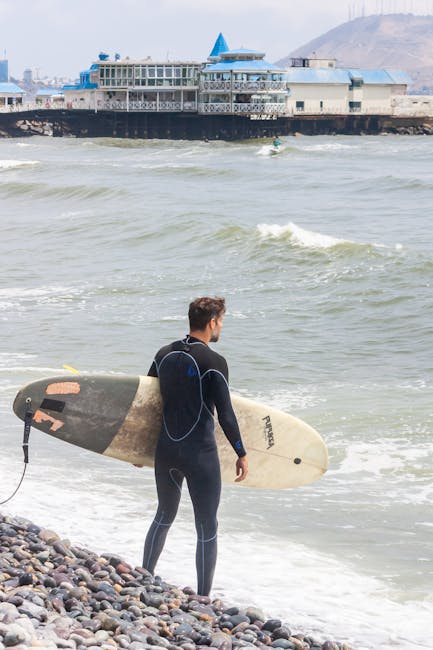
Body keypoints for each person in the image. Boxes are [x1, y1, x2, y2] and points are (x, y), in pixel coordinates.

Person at [142, 297, 248, 596]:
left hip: (166, 451)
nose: (221, 326)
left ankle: (144, 576)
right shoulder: (214, 363)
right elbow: (225, 415)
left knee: (163, 515)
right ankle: (203, 598)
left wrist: (137, 448)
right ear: (212, 321)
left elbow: (145, 405)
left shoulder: (163, 354)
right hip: (200, 455)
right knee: (206, 527)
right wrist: (241, 452)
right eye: (222, 320)